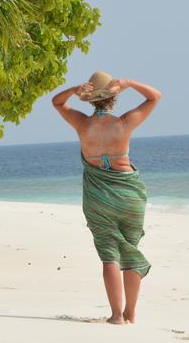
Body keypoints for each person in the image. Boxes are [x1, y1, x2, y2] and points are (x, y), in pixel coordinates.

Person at [51, 72, 162, 325]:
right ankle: (131, 313)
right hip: (128, 195)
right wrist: (130, 83)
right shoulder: (123, 123)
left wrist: (73, 89)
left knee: (109, 253)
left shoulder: (82, 124)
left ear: (90, 100)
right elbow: (154, 97)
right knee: (130, 250)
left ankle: (116, 316)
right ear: (114, 98)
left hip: (98, 196)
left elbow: (57, 102)